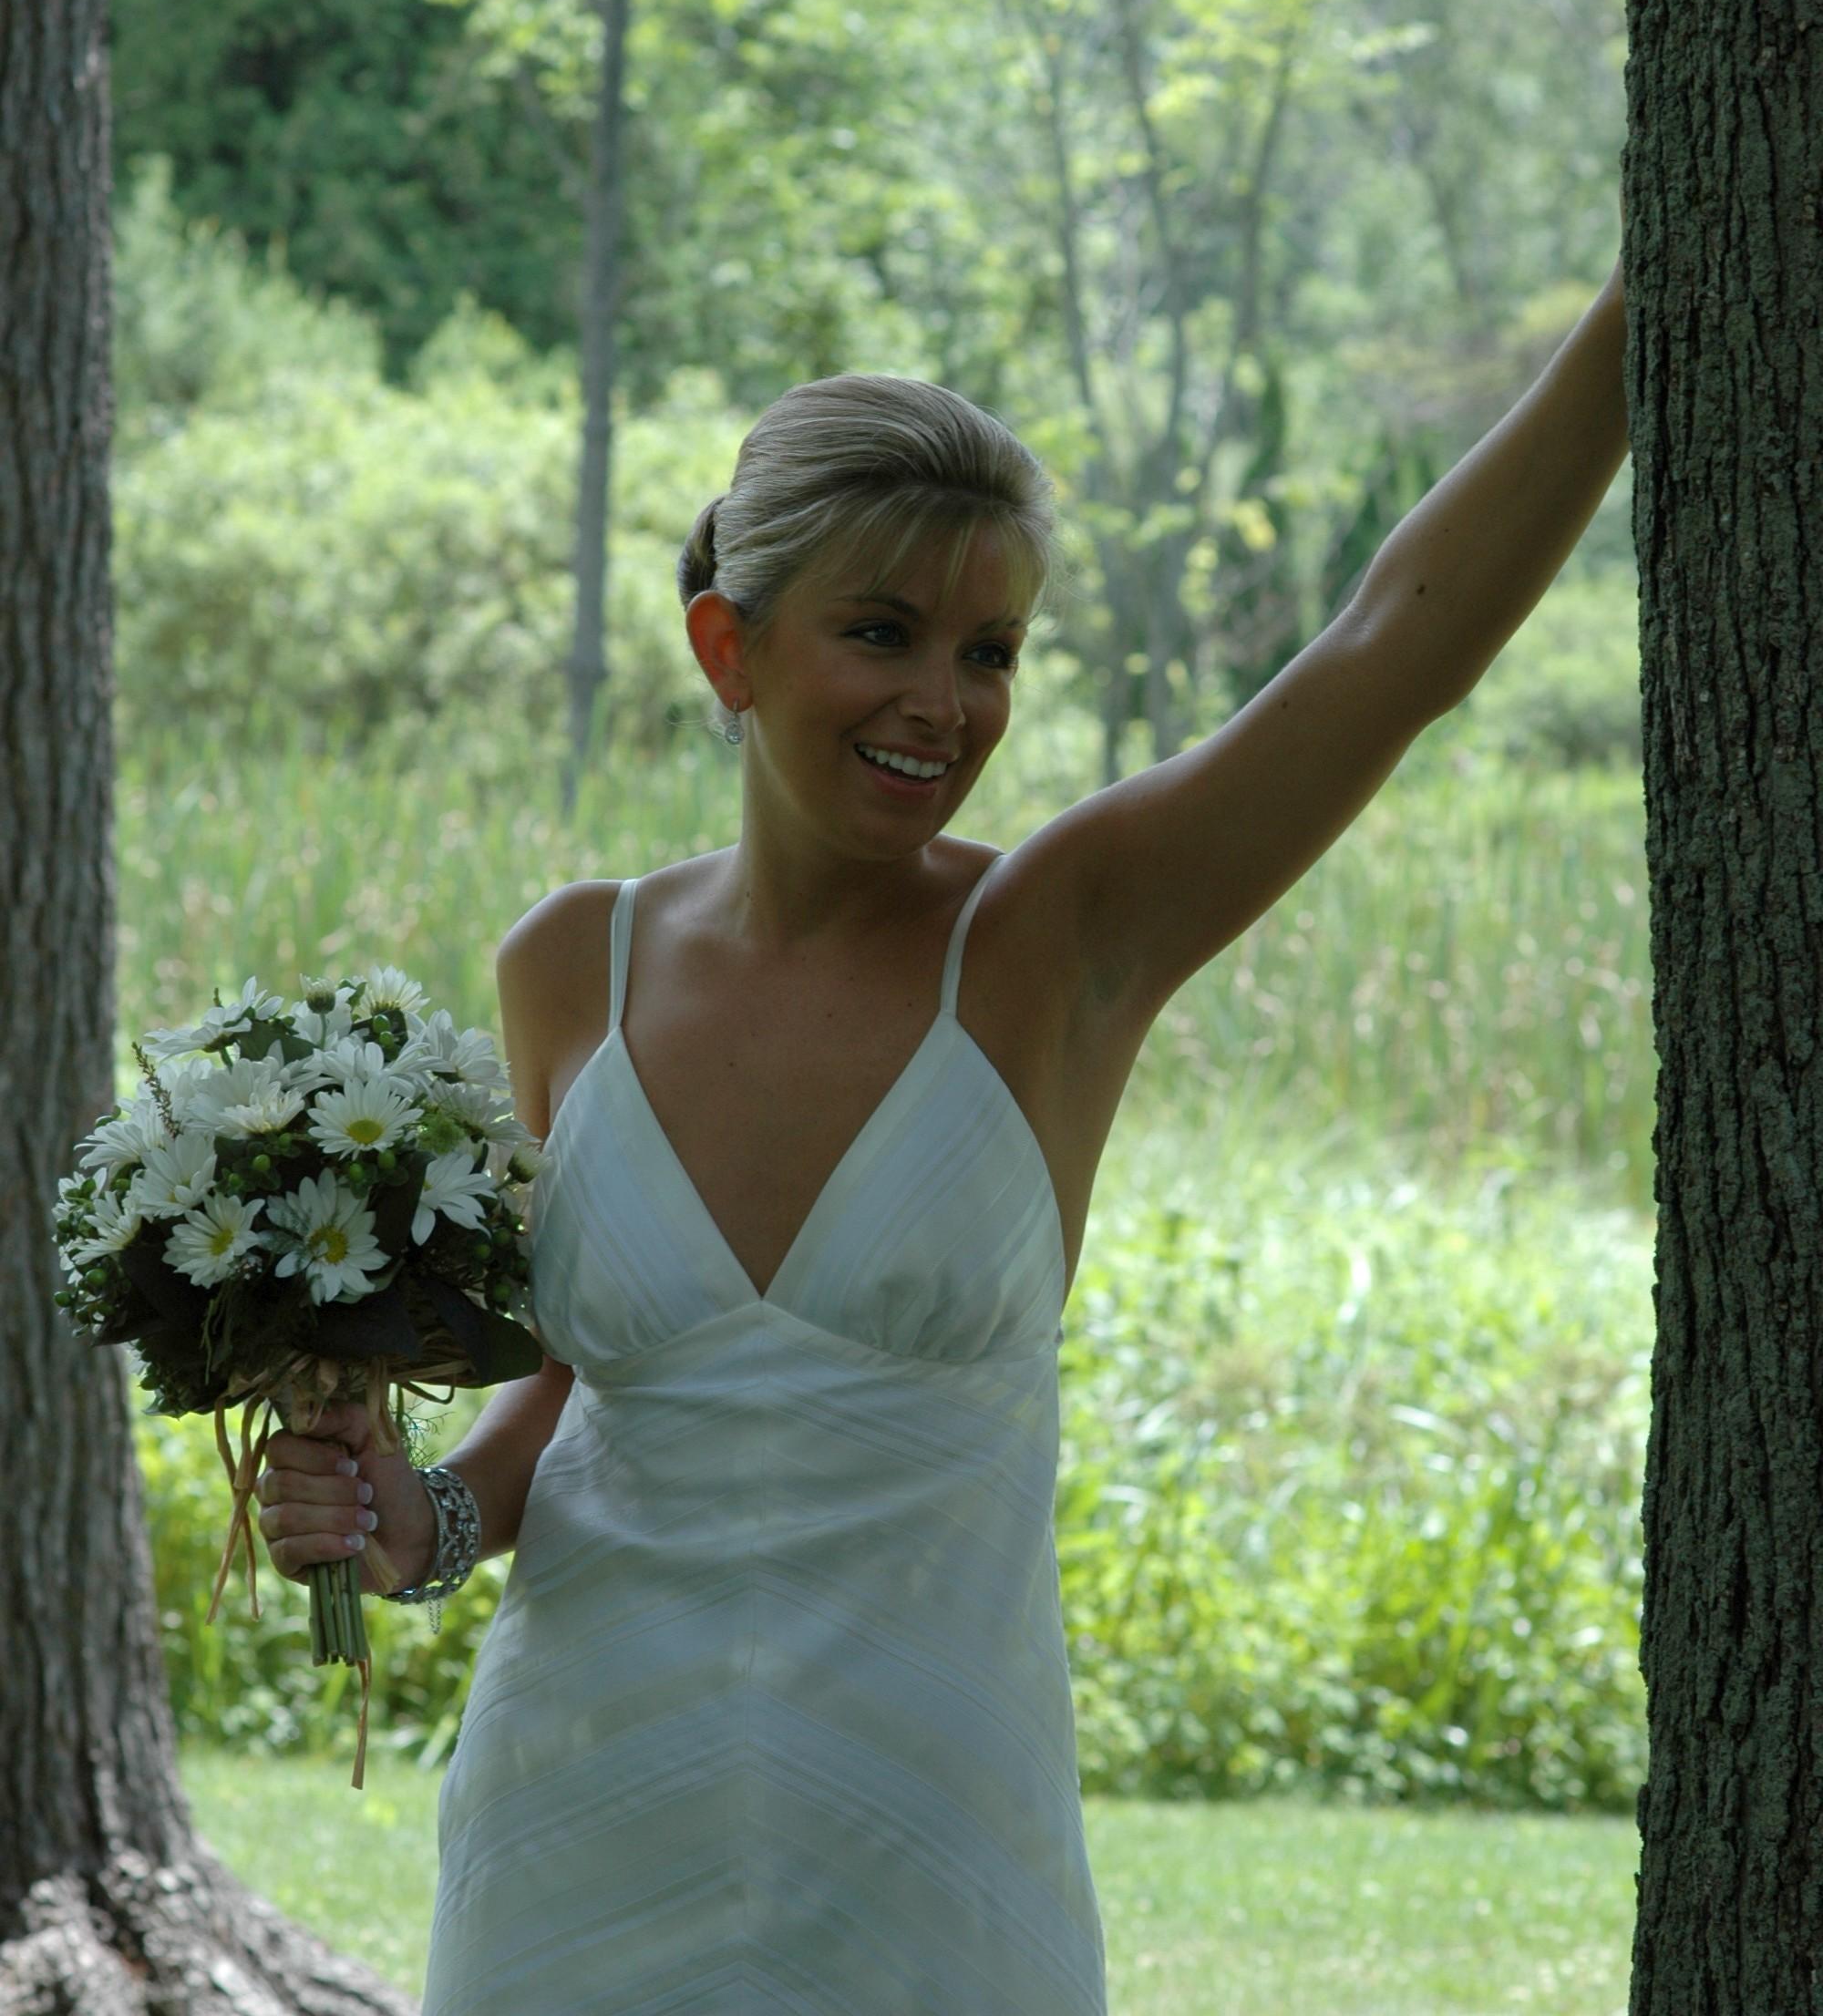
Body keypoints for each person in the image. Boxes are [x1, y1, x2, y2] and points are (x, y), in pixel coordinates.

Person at [255, 272, 1629, 2015]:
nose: (948, 707)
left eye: (991, 653)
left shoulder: (1065, 941)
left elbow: (1388, 651)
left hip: (932, 1852)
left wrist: (1637, 313)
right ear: (727, 645)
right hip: (576, 1834)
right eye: (884, 632)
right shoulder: (567, 966)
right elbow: (588, 1390)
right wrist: (420, 1518)